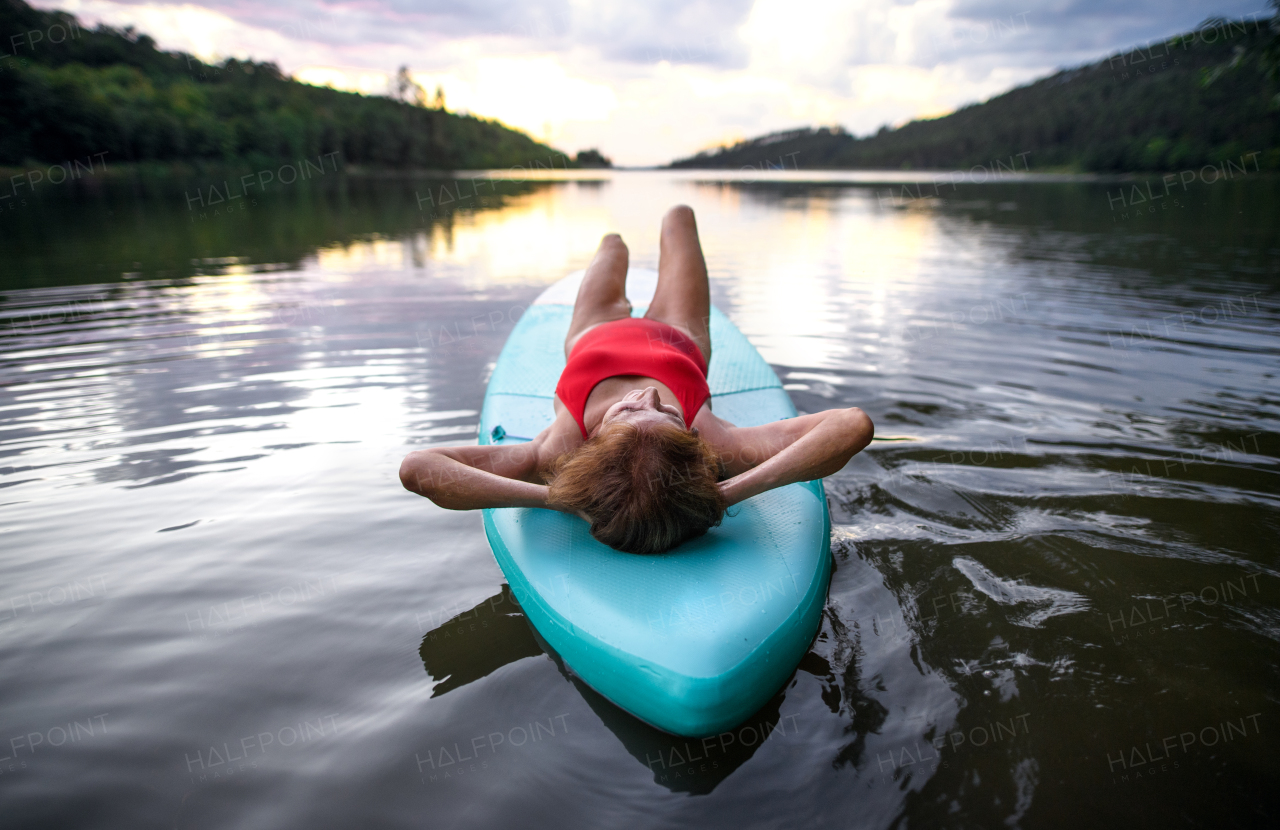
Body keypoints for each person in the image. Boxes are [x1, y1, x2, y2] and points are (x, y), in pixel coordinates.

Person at [399, 205, 873, 554]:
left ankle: (612, 235)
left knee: (612, 247)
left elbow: (419, 468)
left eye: (629, 411)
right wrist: (725, 493)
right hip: (679, 333)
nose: (646, 394)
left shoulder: (556, 449)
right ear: (690, 443)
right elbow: (852, 426)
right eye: (666, 412)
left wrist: (557, 498)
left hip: (594, 328)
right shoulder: (718, 444)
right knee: (680, 216)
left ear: (595, 448)